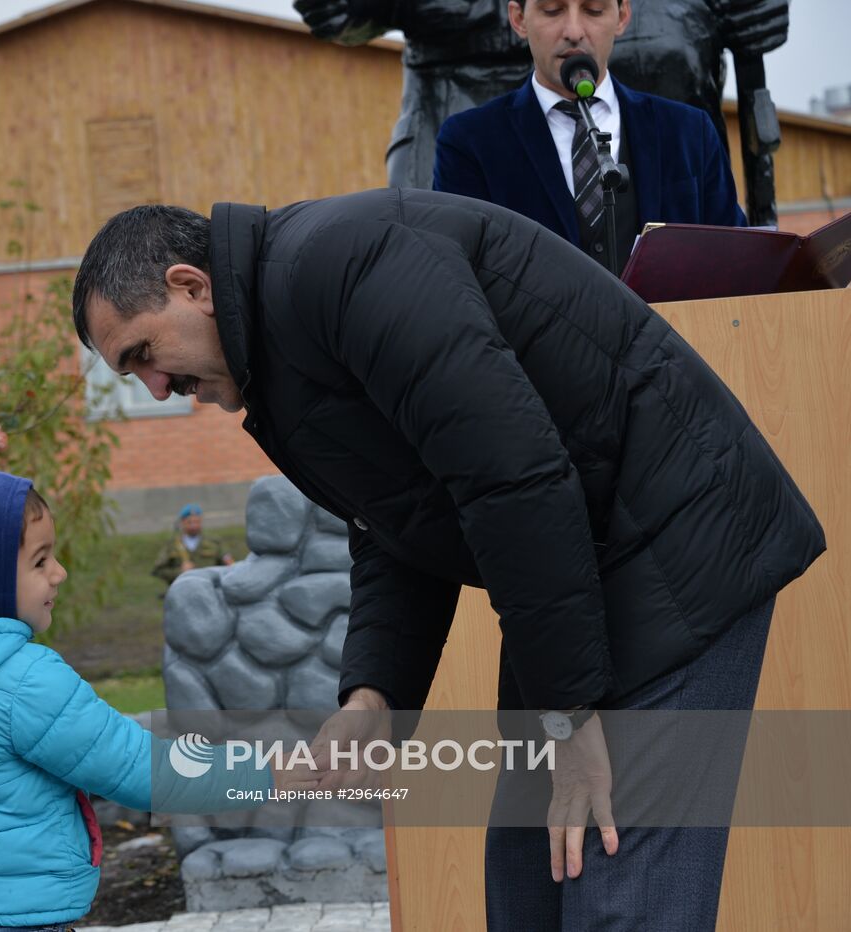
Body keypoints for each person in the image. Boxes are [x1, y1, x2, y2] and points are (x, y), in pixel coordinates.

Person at [71, 191, 825, 932]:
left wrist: (566, 719)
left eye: (143, 354)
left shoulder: (346, 264)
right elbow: (397, 517)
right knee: (528, 883)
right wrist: (373, 696)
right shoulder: (276, 338)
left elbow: (513, 479)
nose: (157, 388)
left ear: (191, 286)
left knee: (618, 889)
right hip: (586, 561)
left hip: (685, 536)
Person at [0, 469, 290, 930]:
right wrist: (265, 774)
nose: (59, 573)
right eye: (39, 562)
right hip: (27, 918)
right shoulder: (25, 679)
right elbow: (142, 771)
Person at [432, 0, 746, 268]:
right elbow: (459, 279)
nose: (573, 31)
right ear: (518, 19)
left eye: (593, 10)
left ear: (622, 16)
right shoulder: (469, 141)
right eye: (552, 10)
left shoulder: (689, 131)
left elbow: (735, 264)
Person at [151, 502, 234, 589]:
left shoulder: (214, 543)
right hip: (182, 592)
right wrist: (180, 572)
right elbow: (158, 570)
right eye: (189, 522)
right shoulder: (173, 545)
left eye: (196, 522)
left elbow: (228, 565)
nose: (194, 526)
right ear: (182, 522)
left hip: (210, 590)